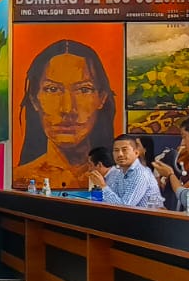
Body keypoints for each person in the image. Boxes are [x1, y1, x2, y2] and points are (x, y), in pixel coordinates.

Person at [14, 40, 116, 191]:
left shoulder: (116, 176)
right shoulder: (20, 177)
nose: (67, 109)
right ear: (35, 100)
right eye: (52, 89)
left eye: (83, 90)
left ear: (102, 98)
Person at [93, 133, 164, 210]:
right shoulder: (120, 172)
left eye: (124, 150)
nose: (120, 154)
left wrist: (103, 186)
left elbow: (125, 207)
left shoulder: (140, 173)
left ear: (136, 153)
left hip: (146, 217)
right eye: (116, 150)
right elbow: (113, 199)